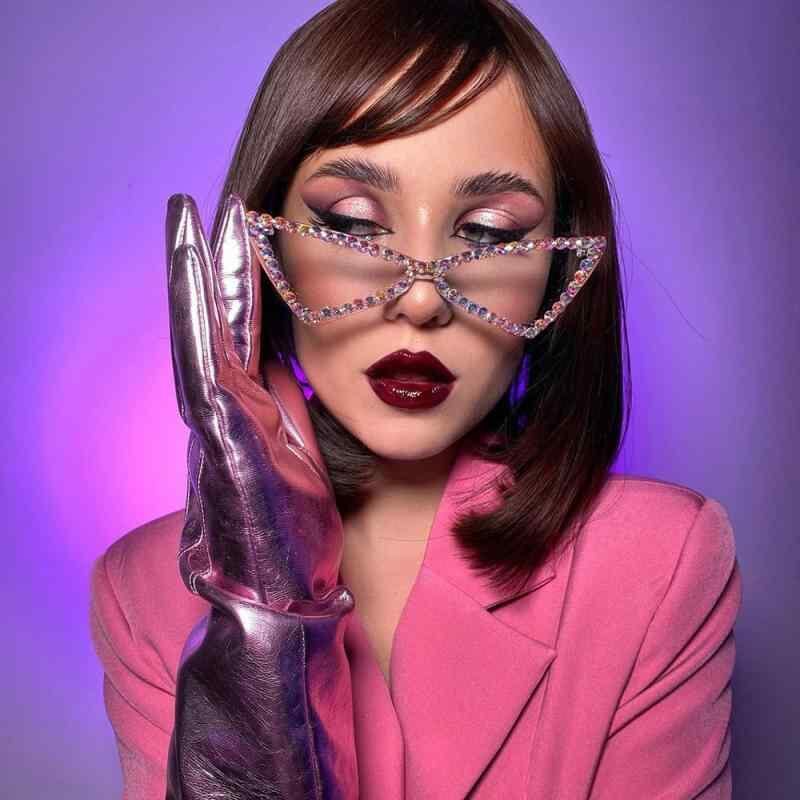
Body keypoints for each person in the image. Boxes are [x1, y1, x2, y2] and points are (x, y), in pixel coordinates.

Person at [88, 1, 743, 798]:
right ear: (260, 248)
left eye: (490, 233)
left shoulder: (657, 565)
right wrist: (267, 617)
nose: (423, 300)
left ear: (556, 273)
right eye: (355, 224)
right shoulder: (146, 593)